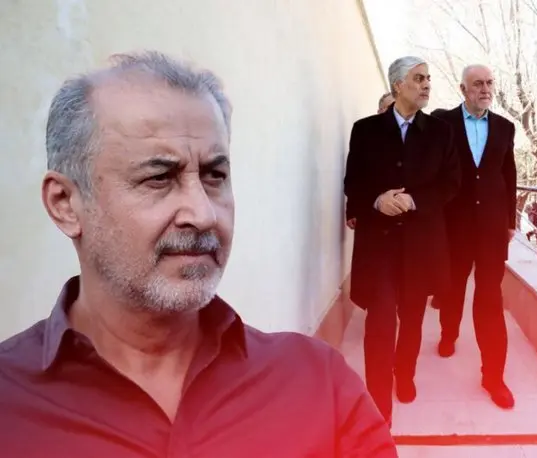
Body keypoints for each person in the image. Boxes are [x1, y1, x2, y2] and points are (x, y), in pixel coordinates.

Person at [0, 51, 398, 457]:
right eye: (159, 178)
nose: (204, 214)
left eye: (214, 176)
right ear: (65, 203)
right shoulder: (11, 406)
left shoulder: (318, 385)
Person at [344, 56, 461, 423]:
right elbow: (352, 183)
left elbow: (451, 183)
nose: (426, 85)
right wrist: (377, 200)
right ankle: (379, 410)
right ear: (398, 85)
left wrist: (414, 200)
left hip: (421, 247)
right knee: (379, 323)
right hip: (378, 248)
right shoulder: (365, 130)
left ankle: (405, 373)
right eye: (418, 78)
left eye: (428, 79)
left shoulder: (441, 132)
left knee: (411, 320)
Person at [431, 64, 517, 410]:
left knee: (490, 298)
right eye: (478, 83)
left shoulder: (505, 127)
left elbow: (509, 174)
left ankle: (493, 376)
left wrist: (509, 220)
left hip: (492, 229)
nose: (485, 89)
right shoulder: (443, 124)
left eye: (489, 83)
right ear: (463, 88)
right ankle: (448, 333)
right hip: (455, 226)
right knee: (451, 288)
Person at [346, 91, 397, 231]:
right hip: (371, 217)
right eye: (389, 107)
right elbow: (354, 175)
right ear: (379, 111)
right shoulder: (365, 134)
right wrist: (352, 210)